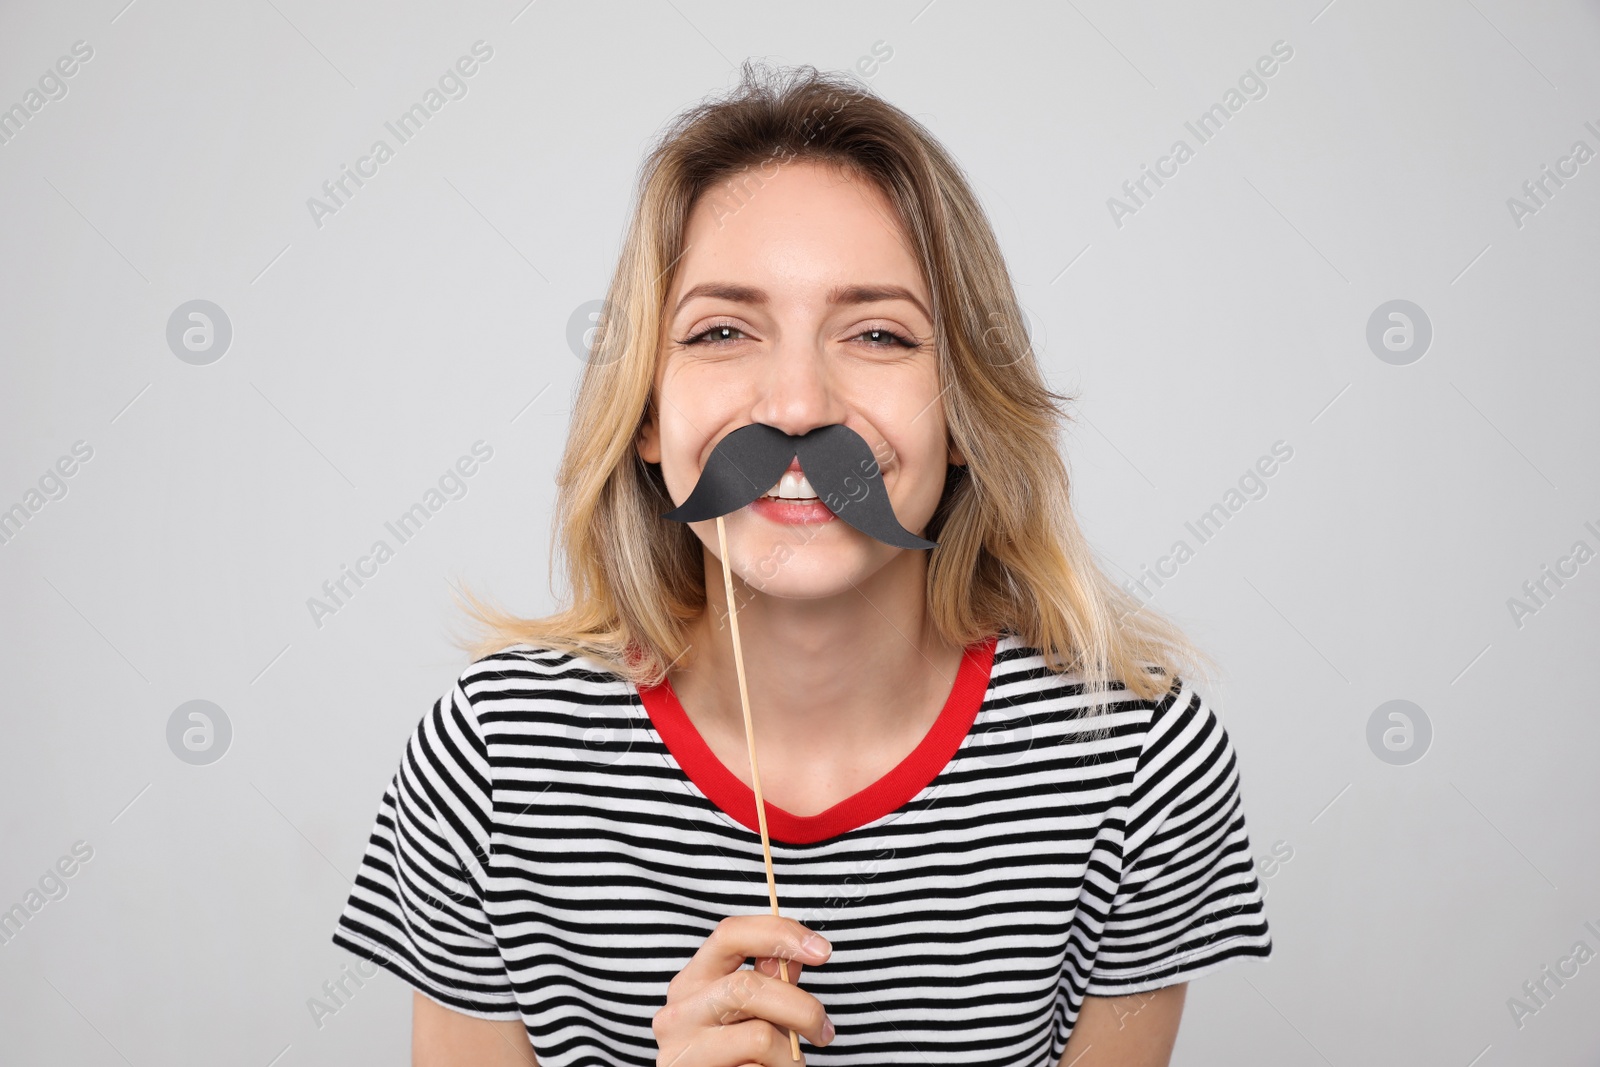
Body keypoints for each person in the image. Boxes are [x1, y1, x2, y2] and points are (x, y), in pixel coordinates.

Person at [332, 61, 1273, 1066]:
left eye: (876, 333)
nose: (794, 407)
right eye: (721, 330)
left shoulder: (1131, 759)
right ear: (646, 413)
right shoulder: (493, 761)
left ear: (962, 412)